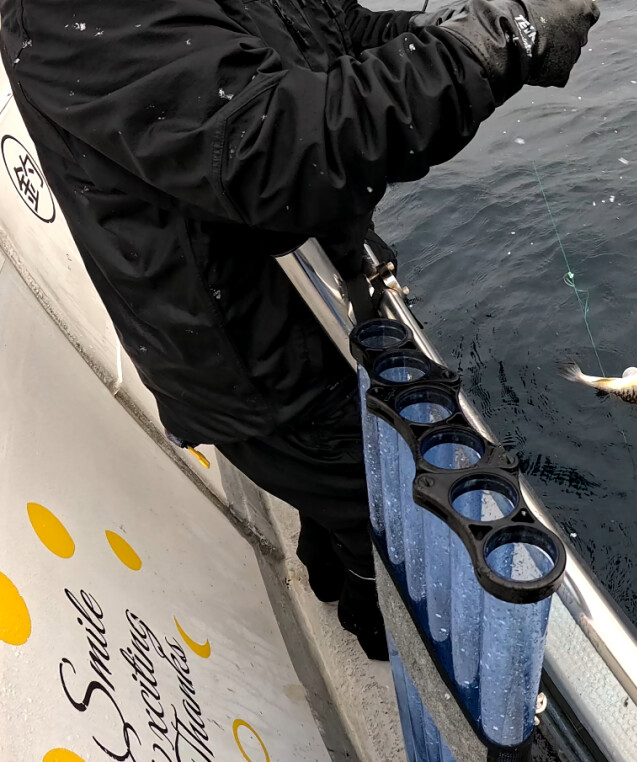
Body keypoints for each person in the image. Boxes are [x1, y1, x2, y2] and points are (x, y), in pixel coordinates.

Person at [0, 0, 599, 660]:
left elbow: (332, 29)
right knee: (379, 516)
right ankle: (381, 627)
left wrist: (437, 30)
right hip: (254, 366)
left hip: (304, 307)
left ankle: (333, 573)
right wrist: (494, 43)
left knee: (344, 503)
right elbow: (279, 147)